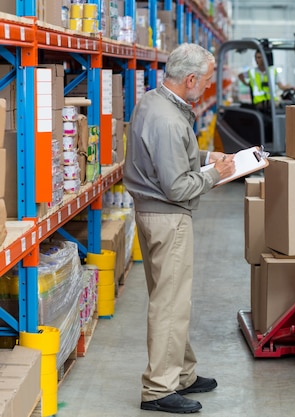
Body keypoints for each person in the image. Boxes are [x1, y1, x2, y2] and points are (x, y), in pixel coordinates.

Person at [124, 43, 236, 414]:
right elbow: (176, 185)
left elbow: (168, 154)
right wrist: (213, 175)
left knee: (172, 299)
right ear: (189, 79)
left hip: (153, 213)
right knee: (169, 305)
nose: (206, 87)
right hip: (168, 217)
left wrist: (206, 158)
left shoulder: (154, 101)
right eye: (204, 81)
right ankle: (158, 389)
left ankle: (183, 374)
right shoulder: (169, 120)